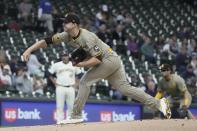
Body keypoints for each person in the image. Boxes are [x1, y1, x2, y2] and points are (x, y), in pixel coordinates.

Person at [22, 13, 171, 124]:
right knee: (126, 89)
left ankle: (75, 116)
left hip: (108, 60)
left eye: (66, 22)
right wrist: (29, 50)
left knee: (84, 82)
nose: (64, 24)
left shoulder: (88, 36)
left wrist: (81, 65)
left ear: (74, 24)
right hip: (112, 60)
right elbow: (46, 41)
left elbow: (97, 59)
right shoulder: (66, 35)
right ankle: (159, 104)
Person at [48, 50, 81, 124]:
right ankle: (59, 122)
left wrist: (76, 84)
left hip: (71, 87)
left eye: (66, 55)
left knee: (71, 106)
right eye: (63, 56)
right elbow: (49, 74)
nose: (64, 57)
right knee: (60, 106)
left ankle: (69, 121)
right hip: (60, 87)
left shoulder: (73, 64)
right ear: (61, 57)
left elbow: (79, 74)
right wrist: (55, 83)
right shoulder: (56, 65)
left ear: (68, 56)